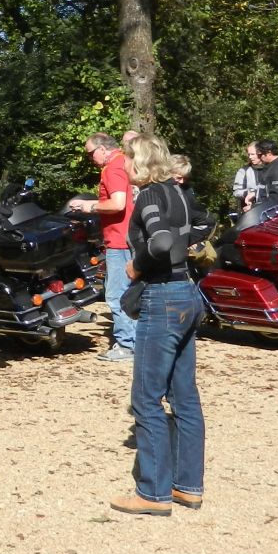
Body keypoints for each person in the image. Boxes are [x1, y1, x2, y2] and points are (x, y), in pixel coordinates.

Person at [110, 135, 212, 516]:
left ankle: (153, 493)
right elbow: (203, 225)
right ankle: (187, 487)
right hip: (187, 293)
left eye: (128, 160)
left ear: (140, 162)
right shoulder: (179, 193)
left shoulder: (150, 196)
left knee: (146, 397)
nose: (124, 166)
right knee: (184, 396)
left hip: (163, 298)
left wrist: (136, 266)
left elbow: (162, 241)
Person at [67, 133, 137, 362]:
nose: (90, 158)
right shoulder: (127, 161)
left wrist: (90, 206)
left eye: (90, 153)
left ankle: (127, 345)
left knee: (117, 293)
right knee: (134, 291)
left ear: (103, 149)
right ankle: (138, 342)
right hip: (131, 236)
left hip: (119, 240)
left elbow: (118, 203)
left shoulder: (113, 168)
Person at [252, 139, 278, 208]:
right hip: (266, 210)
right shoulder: (270, 166)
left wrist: (253, 207)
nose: (258, 157)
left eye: (260, 154)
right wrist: (254, 194)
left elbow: (276, 198)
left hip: (276, 212)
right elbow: (267, 190)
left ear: (269, 153)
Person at [231, 143, 260, 211]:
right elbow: (236, 192)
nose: (250, 157)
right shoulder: (243, 171)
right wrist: (248, 193)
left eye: (252, 154)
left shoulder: (270, 169)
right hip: (249, 211)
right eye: (249, 154)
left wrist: (257, 193)